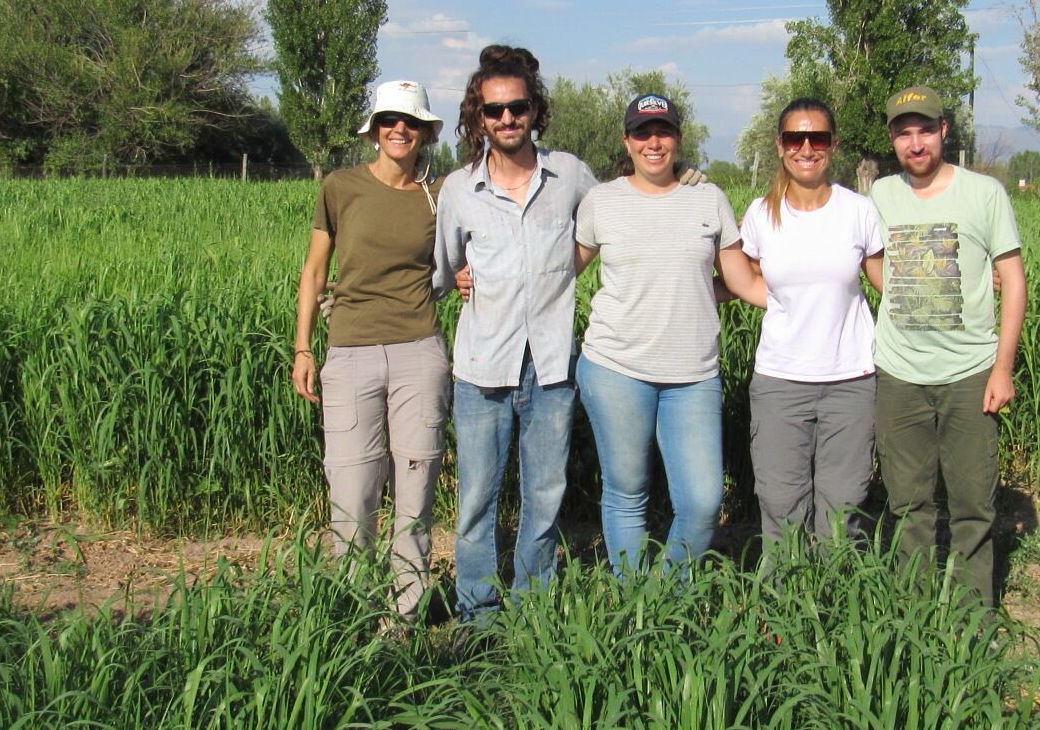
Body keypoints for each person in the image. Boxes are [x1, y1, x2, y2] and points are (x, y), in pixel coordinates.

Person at [433, 44, 595, 620]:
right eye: (494, 110)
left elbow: (606, 226)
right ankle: (476, 611)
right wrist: (457, 276)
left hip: (551, 366)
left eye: (517, 108)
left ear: (535, 111)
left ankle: (534, 606)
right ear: (478, 117)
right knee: (476, 499)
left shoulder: (571, 175)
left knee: (544, 495)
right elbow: (444, 265)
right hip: (482, 367)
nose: (507, 119)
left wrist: (686, 180)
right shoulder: (458, 190)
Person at [574, 90, 759, 572]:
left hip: (693, 375)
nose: (653, 142)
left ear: (678, 137)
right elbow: (559, 271)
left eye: (663, 131)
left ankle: (667, 599)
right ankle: (634, 606)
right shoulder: (602, 201)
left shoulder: (708, 197)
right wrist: (477, 276)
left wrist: (814, 284)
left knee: (700, 504)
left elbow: (739, 282)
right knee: (626, 492)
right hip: (616, 368)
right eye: (642, 133)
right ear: (627, 141)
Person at [291, 79, 450, 623]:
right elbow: (314, 272)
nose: (399, 129)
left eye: (409, 122)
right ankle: (358, 610)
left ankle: (405, 615)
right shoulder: (341, 187)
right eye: (389, 120)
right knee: (353, 488)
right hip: (351, 350)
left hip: (419, 351)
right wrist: (303, 348)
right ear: (375, 130)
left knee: (415, 486)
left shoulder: (440, 193)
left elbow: (468, 252)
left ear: (425, 132)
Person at [869, 84, 1027, 603]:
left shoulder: (985, 194)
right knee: (908, 505)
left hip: (970, 374)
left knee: (972, 506)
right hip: (898, 374)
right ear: (893, 139)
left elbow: (1014, 279)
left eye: (924, 131)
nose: (915, 144)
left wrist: (1002, 369)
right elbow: (864, 257)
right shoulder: (880, 196)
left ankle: (970, 621)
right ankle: (914, 619)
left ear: (944, 131)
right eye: (903, 133)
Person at [737, 96, 885, 548]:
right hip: (781, 380)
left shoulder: (858, 210)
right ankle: (787, 605)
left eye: (817, 137)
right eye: (795, 138)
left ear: (833, 145)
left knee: (844, 505)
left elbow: (888, 283)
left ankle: (842, 603)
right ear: (780, 145)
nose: (806, 148)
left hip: (851, 380)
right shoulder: (761, 215)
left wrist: (969, 281)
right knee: (781, 504)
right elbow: (742, 276)